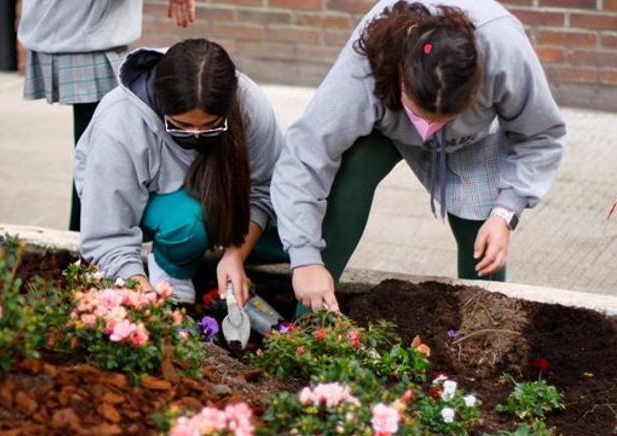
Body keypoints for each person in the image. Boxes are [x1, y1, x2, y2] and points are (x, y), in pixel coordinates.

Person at [271, 0, 566, 312]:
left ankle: (485, 329)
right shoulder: (368, 59)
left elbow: (540, 134)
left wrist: (506, 212)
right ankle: (309, 321)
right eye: (422, 115)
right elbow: (306, 154)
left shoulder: (504, 49)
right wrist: (303, 258)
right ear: (400, 74)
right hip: (387, 128)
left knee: (481, 226)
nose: (430, 130)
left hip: (471, 138)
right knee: (352, 173)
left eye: (444, 119)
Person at [75, 39, 284, 305]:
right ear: (161, 105)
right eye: (181, 126)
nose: (196, 136)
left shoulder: (247, 101)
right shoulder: (119, 124)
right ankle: (171, 272)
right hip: (152, 206)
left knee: (292, 235)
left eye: (210, 127)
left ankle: (206, 251)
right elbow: (108, 235)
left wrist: (235, 256)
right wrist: (146, 297)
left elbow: (265, 187)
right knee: (187, 223)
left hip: (215, 196)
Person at [18, 0, 197, 232]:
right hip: (80, 31)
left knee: (101, 152)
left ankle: (87, 246)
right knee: (102, 156)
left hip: (84, 29)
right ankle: (89, 249)